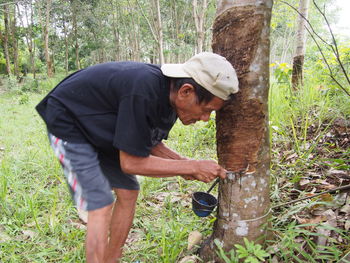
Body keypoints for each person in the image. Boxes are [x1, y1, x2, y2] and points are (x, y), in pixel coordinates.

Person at [36, 52, 239, 263]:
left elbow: (147, 141)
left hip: (103, 126)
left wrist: (184, 163)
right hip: (69, 120)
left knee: (129, 191)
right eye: (206, 110)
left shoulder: (169, 99)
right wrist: (190, 167)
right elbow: (131, 162)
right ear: (186, 91)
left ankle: (111, 259)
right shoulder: (144, 90)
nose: (205, 119)